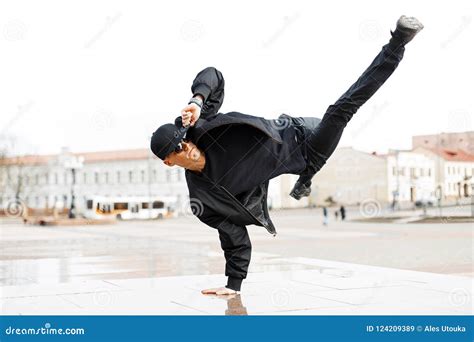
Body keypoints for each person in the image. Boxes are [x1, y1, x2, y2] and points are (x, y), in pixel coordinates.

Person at [150, 16, 423, 295]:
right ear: (168, 161)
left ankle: (397, 43)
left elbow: (213, 75)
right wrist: (233, 285)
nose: (188, 147)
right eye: (179, 149)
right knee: (341, 111)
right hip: (309, 153)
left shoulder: (202, 128)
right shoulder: (204, 199)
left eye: (184, 141)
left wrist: (197, 101)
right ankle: (397, 43)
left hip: (299, 126)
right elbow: (234, 238)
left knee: (336, 113)